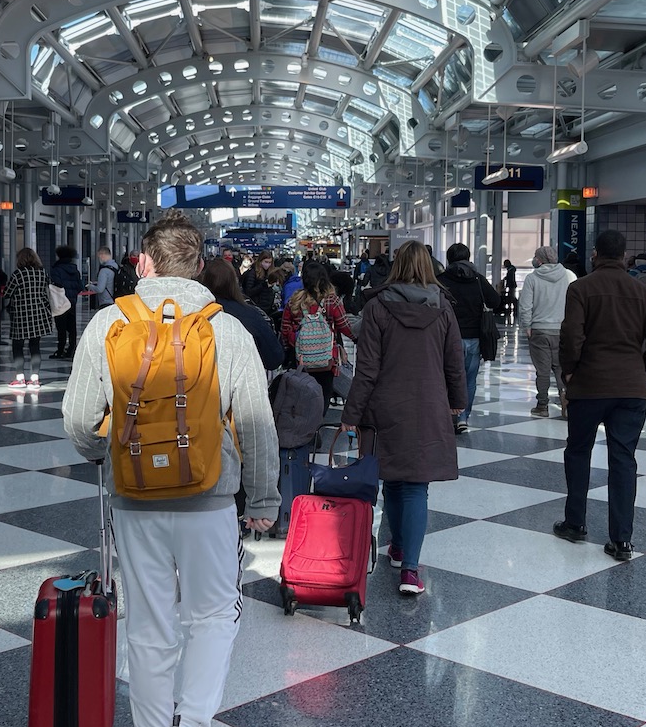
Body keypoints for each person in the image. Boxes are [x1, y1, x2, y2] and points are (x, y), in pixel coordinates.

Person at [63, 211, 278, 727]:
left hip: (135, 499)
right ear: (200, 268)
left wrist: (112, 450)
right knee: (213, 615)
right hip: (210, 496)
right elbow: (257, 423)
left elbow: (79, 422)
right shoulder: (225, 329)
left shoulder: (109, 322)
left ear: (143, 264)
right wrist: (263, 501)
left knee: (151, 628)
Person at [340, 241, 465, 596]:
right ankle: (409, 568)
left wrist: (351, 414)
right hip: (428, 405)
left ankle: (398, 548)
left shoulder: (377, 307)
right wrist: (457, 401)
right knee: (414, 486)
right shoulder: (443, 308)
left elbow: (367, 369)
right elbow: (453, 361)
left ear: (396, 267)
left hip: (384, 407)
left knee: (391, 479)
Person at [553, 230, 646, 561]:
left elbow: (571, 335)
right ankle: (622, 540)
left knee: (578, 452)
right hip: (631, 389)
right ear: (623, 256)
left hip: (589, 386)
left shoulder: (580, 289)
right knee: (623, 459)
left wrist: (569, 370)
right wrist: (643, 370)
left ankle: (575, 523)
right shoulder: (643, 292)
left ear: (595, 254)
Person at [437, 242, 501, 434]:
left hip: (447, 338)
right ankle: (463, 417)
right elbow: (495, 301)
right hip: (474, 337)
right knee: (469, 379)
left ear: (448, 259)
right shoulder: (478, 280)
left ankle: (448, 416)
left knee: (446, 378)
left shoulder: (440, 280)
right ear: (468, 258)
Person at [280, 261, 353, 402]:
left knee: (302, 398)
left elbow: (285, 328)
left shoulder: (294, 301)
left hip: (301, 358)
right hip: (327, 360)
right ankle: (319, 420)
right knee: (323, 395)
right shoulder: (331, 301)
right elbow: (345, 327)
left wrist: (288, 346)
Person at [196, 256, 283, 371]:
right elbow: (274, 358)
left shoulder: (190, 312)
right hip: (238, 381)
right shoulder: (249, 314)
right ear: (233, 282)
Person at [519, 246, 571, 418]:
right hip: (562, 330)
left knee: (542, 370)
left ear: (540, 260)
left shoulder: (532, 278)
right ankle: (567, 401)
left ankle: (542, 406)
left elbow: (525, 305)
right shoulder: (568, 276)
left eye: (535, 257)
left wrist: (527, 326)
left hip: (539, 330)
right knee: (560, 368)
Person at [6, 248, 53, 389]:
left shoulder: (17, 274)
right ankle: (35, 379)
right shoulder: (42, 273)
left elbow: (8, 292)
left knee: (18, 346)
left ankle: (20, 379)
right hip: (39, 314)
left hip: (21, 315)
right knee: (35, 346)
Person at [49, 244, 86, 359]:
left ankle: (60, 350)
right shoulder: (75, 270)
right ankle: (71, 349)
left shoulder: (56, 269)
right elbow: (80, 286)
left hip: (60, 302)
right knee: (72, 326)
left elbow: (56, 285)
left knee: (61, 327)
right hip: (72, 302)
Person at [499, 259, 518, 323]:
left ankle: (513, 309)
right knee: (511, 297)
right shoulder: (511, 270)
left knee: (511, 297)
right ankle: (512, 309)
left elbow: (510, 278)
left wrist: (507, 282)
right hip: (511, 285)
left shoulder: (510, 270)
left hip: (511, 286)